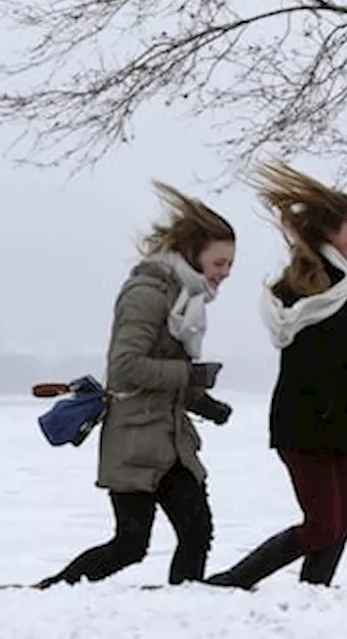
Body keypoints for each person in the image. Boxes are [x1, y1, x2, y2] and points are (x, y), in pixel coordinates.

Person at [33, 181, 237, 589]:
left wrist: (203, 402)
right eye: (220, 262)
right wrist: (189, 377)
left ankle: (185, 608)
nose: (225, 273)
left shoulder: (186, 301)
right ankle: (52, 591)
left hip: (171, 439)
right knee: (130, 544)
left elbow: (168, 367)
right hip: (134, 439)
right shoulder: (147, 293)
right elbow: (126, 367)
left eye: (230, 264)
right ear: (193, 254)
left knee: (196, 534)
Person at [204, 162, 347, 589]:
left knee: (343, 520)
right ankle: (232, 582)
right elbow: (333, 356)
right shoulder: (306, 286)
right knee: (324, 523)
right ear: (331, 232)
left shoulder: (344, 286)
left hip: (336, 414)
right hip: (304, 417)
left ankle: (313, 595)